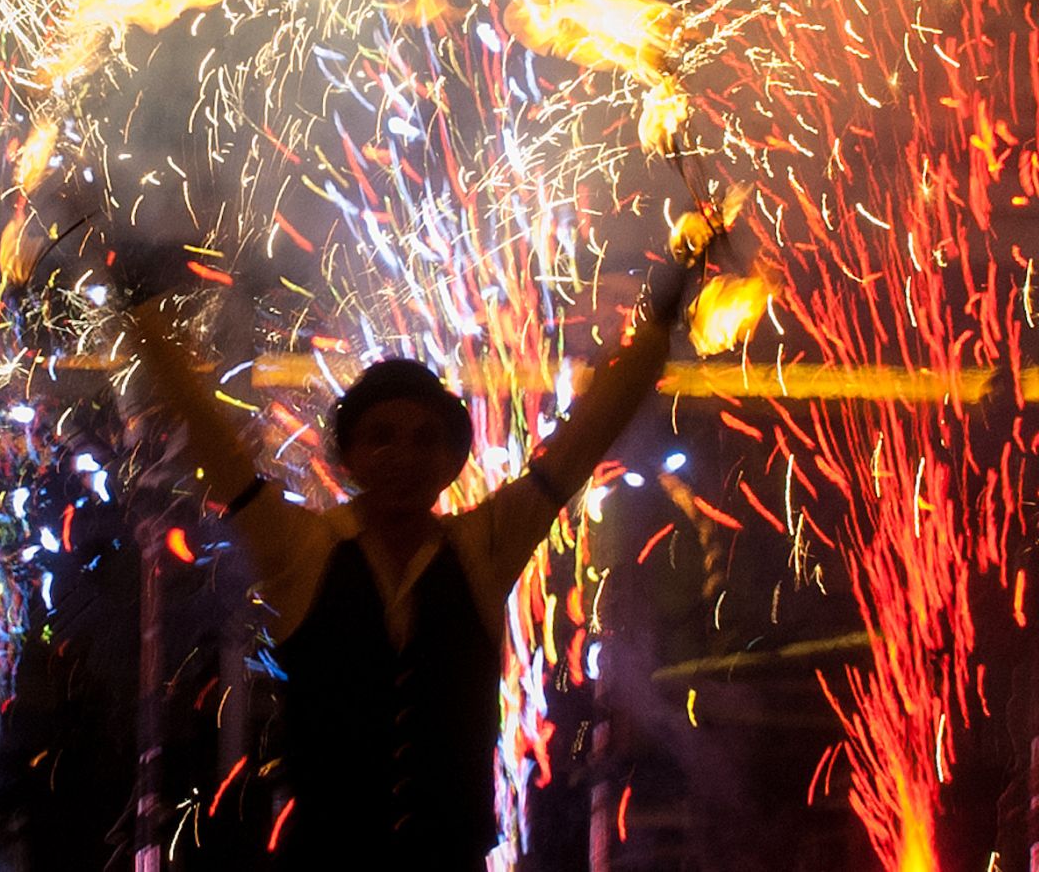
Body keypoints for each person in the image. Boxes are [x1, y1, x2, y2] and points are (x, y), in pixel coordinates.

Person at [107, 249, 705, 870]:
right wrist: (144, 319)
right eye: (382, 436)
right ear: (352, 455)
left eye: (425, 439)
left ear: (451, 461)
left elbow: (583, 441)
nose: (404, 456)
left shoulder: (482, 548)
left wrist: (656, 329)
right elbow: (213, 438)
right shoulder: (305, 548)